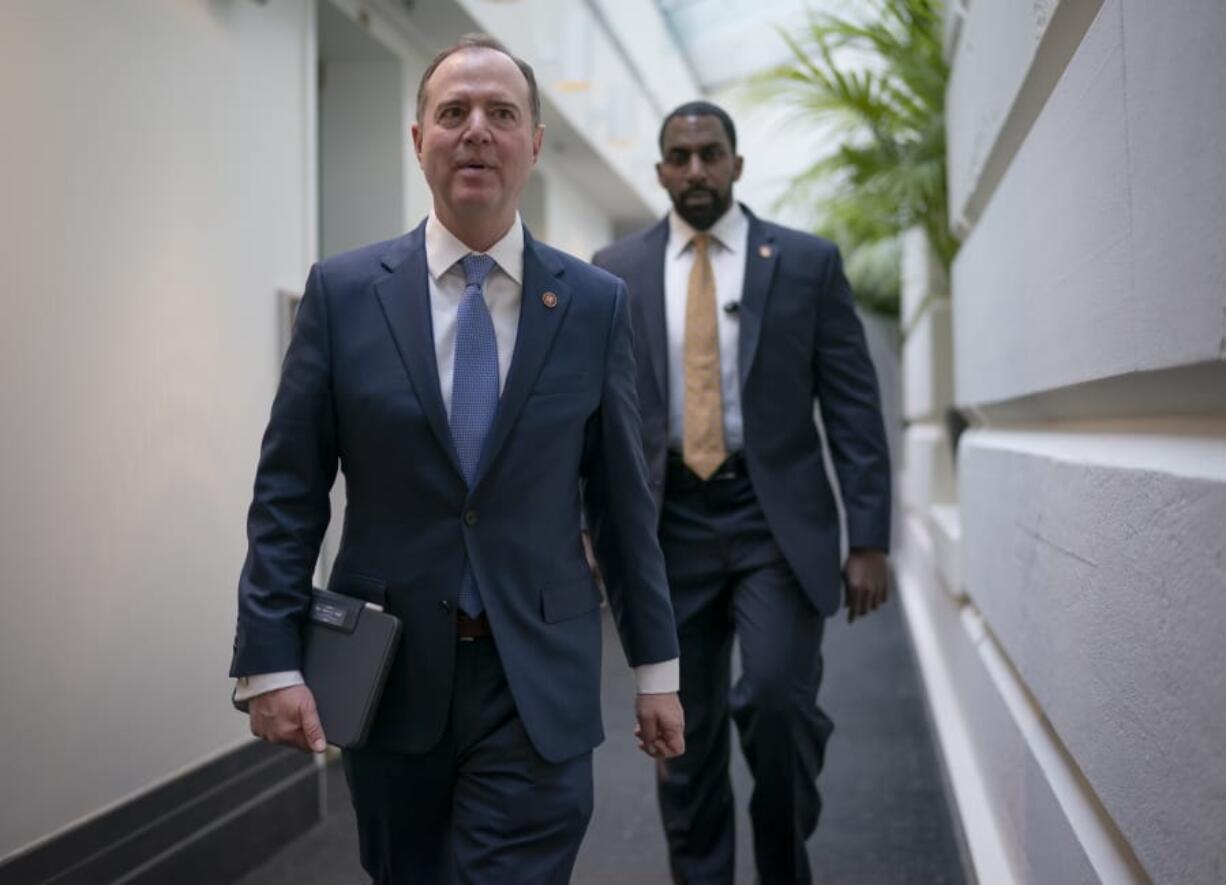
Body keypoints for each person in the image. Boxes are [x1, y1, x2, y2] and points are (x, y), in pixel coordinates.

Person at [229, 35, 684, 884]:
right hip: (390, 677)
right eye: (454, 112)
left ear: (535, 143)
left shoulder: (592, 305)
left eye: (502, 113)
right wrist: (270, 658)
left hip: (536, 679)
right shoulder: (344, 293)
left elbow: (623, 506)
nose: (477, 130)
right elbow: (290, 491)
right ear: (418, 139)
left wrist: (657, 670)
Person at [592, 100, 892, 884]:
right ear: (660, 170)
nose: (696, 170)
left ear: (736, 164)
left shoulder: (804, 261)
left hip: (773, 522)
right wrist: (584, 529)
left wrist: (869, 537)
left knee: (776, 703)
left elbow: (853, 405)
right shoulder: (612, 272)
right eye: (680, 157)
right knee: (680, 738)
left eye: (711, 154)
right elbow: (588, 415)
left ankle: (783, 863)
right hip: (667, 526)